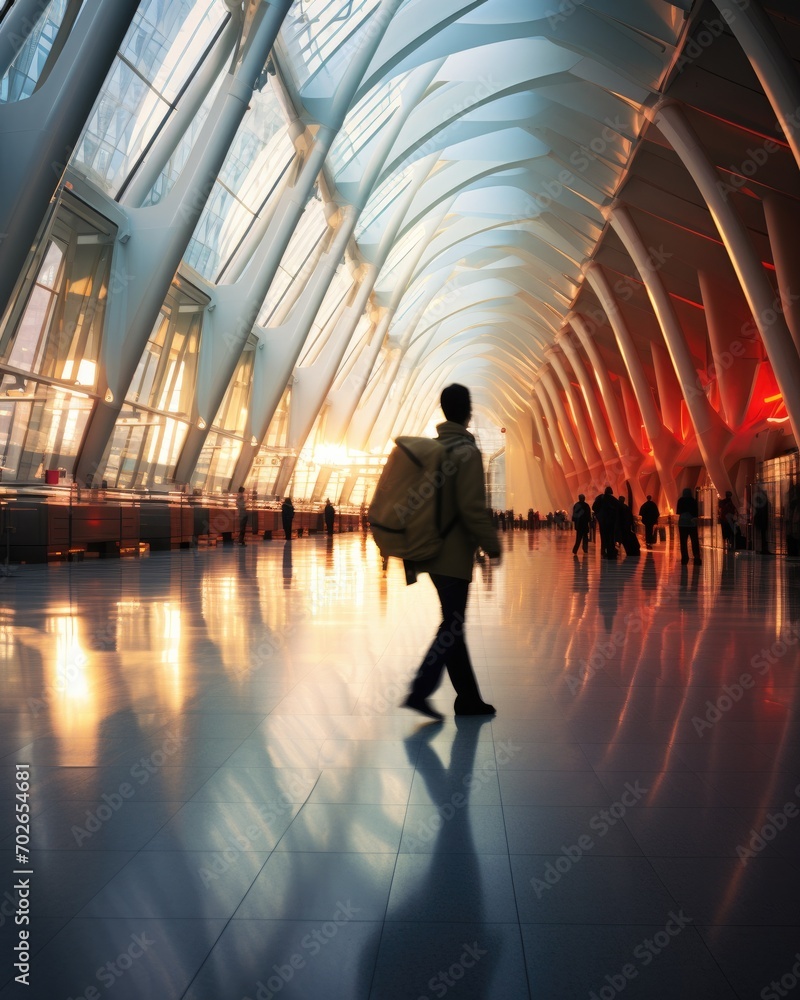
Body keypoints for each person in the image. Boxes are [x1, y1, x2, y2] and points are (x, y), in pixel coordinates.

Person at [402, 384, 501, 720]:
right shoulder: (467, 452)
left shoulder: (433, 449)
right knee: (452, 625)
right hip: (453, 553)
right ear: (468, 411)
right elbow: (472, 508)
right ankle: (421, 689)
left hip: (430, 549)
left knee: (453, 624)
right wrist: (491, 544)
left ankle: (468, 698)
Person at [592, 486, 620, 559]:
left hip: (602, 521)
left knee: (603, 536)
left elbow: (594, 507)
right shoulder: (613, 499)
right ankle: (611, 550)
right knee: (611, 536)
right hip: (611, 521)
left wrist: (598, 514)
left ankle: (603, 551)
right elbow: (618, 508)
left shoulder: (600, 498)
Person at [677, 487, 701, 564]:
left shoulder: (680, 500)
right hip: (692, 523)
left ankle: (684, 557)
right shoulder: (693, 500)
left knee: (683, 541)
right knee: (694, 540)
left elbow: (678, 511)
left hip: (682, 523)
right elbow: (696, 512)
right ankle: (696, 556)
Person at [752, 485, 772, 555]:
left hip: (761, 520)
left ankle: (762, 549)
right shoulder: (761, 502)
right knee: (763, 535)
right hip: (762, 521)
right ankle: (762, 549)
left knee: (762, 535)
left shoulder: (758, 501)